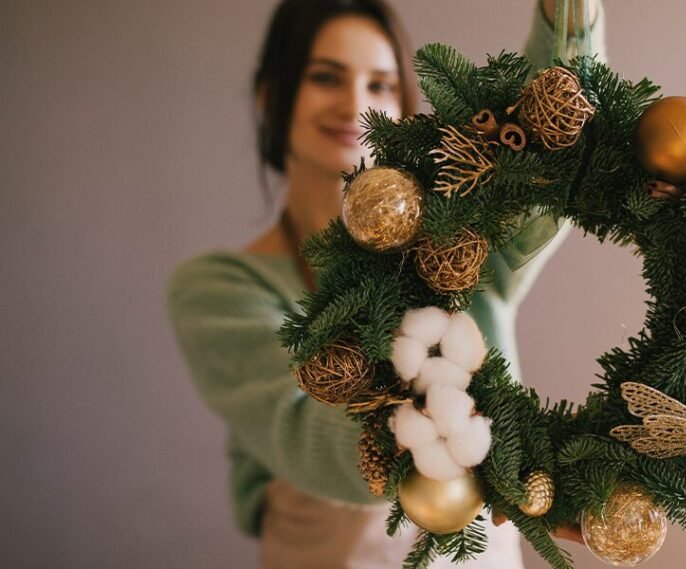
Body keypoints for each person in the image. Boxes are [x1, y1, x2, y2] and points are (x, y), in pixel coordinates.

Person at [166, 0, 606, 567]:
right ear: (271, 96)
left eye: (380, 83)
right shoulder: (218, 290)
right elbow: (306, 435)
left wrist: (568, 14)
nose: (354, 104)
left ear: (403, 109)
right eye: (326, 77)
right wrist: (496, 453)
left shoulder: (462, 252)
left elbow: (552, 144)